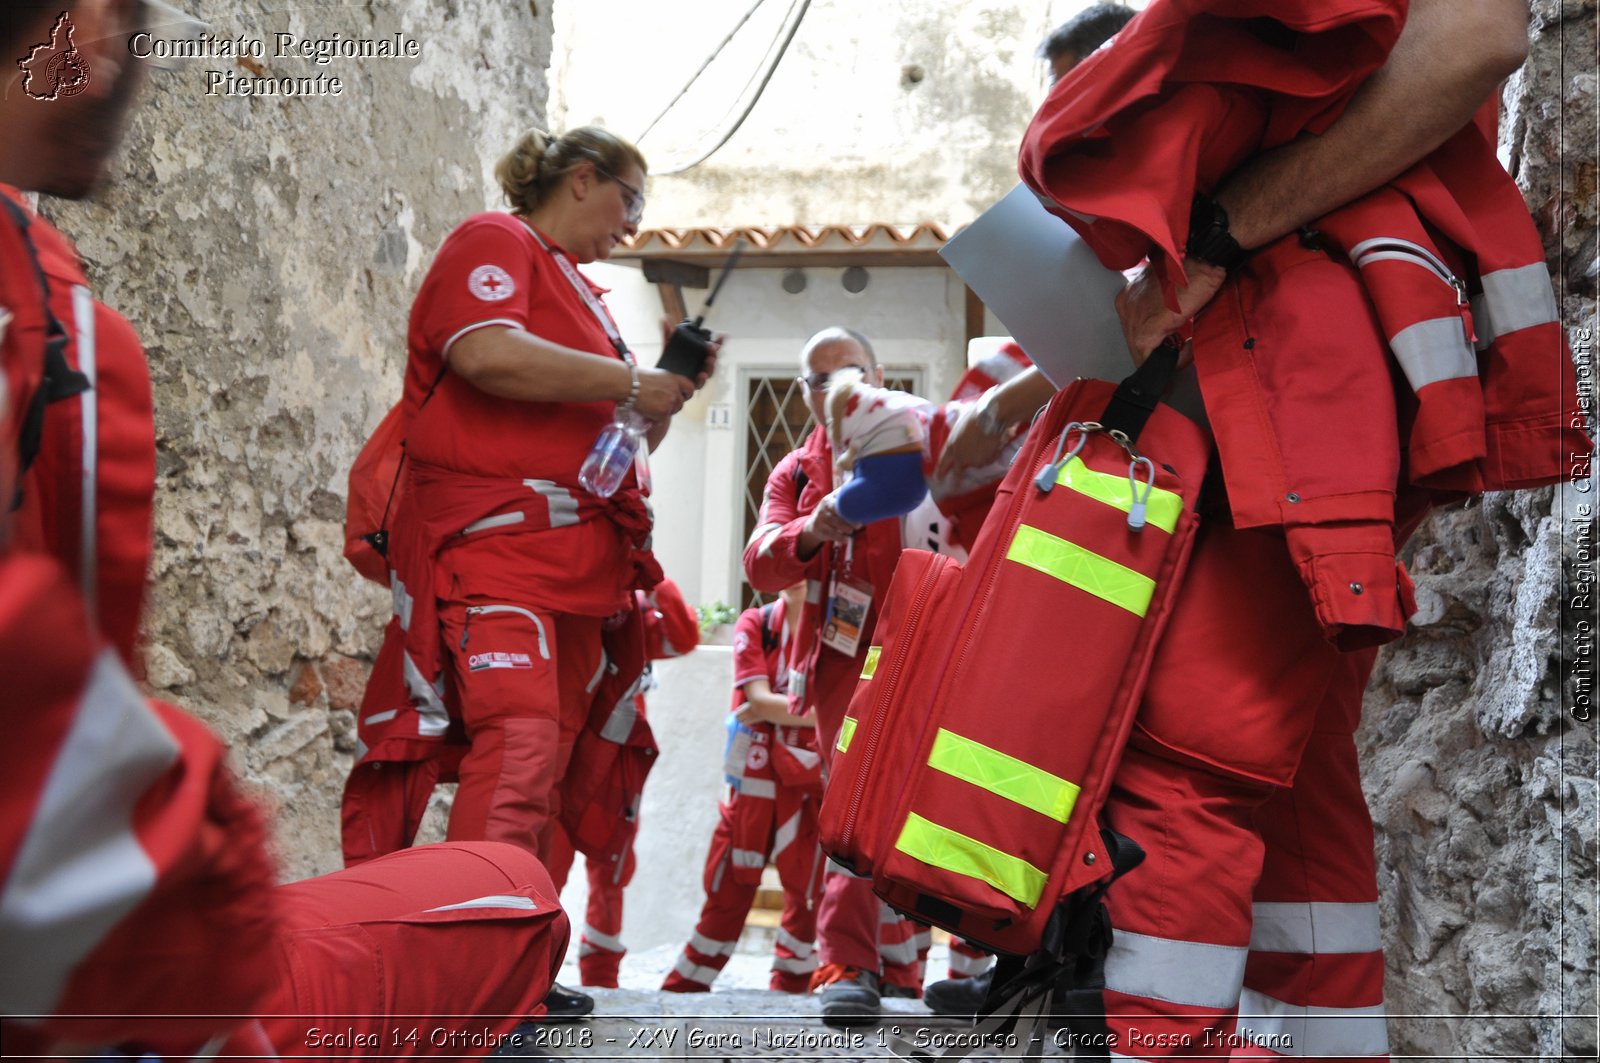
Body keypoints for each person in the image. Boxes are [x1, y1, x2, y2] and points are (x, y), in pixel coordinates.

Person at [1011, 0, 1582, 1055]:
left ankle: (1159, 1042)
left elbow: (1477, 33)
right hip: (1322, 348)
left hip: (1294, 350)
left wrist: (1220, 231)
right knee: (1291, 771)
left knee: (1182, 755)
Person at [0, 2, 568, 1057]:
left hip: (84, 936)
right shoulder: (40, 313)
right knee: (501, 902)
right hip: (79, 968)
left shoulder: (46, 302)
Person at [342, 123, 714, 1015]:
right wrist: (629, 384)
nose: (633, 227)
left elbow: (610, 448)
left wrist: (664, 385)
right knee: (517, 760)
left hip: (578, 576)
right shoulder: (496, 241)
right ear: (583, 179)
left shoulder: (581, 294)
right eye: (632, 201)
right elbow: (485, 354)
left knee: (549, 775)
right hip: (500, 560)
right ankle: (473, 987)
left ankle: (513, 971)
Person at [743, 327, 941, 1023]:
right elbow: (761, 560)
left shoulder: (918, 441)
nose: (831, 392)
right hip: (838, 659)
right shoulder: (795, 473)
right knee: (853, 806)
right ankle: (848, 963)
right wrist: (812, 531)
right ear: (803, 393)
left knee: (917, 809)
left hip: (921, 646)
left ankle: (907, 966)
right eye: (816, 380)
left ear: (877, 375)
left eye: (846, 375)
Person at [662, 582, 829, 993]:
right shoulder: (756, 621)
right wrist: (816, 714)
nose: (793, 574)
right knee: (731, 879)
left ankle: (791, 990)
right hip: (754, 778)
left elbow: (838, 704)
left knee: (808, 891)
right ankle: (683, 988)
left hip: (809, 778)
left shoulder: (835, 621)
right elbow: (758, 696)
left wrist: (773, 710)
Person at [542, 577, 701, 988]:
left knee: (610, 864)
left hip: (613, 753)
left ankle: (600, 978)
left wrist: (654, 577)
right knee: (549, 862)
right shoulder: (569, 584)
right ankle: (535, 974)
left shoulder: (632, 600)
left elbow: (682, 638)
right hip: (563, 748)